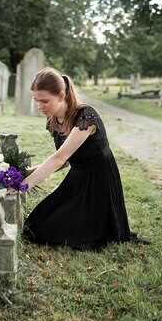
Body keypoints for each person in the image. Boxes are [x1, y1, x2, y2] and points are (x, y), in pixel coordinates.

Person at [20, 67, 151, 251]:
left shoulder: (86, 116)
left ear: (62, 95)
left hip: (100, 182)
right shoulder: (53, 121)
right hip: (77, 179)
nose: (39, 106)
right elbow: (64, 162)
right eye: (36, 100)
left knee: (60, 234)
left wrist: (23, 186)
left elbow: (59, 157)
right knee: (35, 226)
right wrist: (23, 174)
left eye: (44, 101)